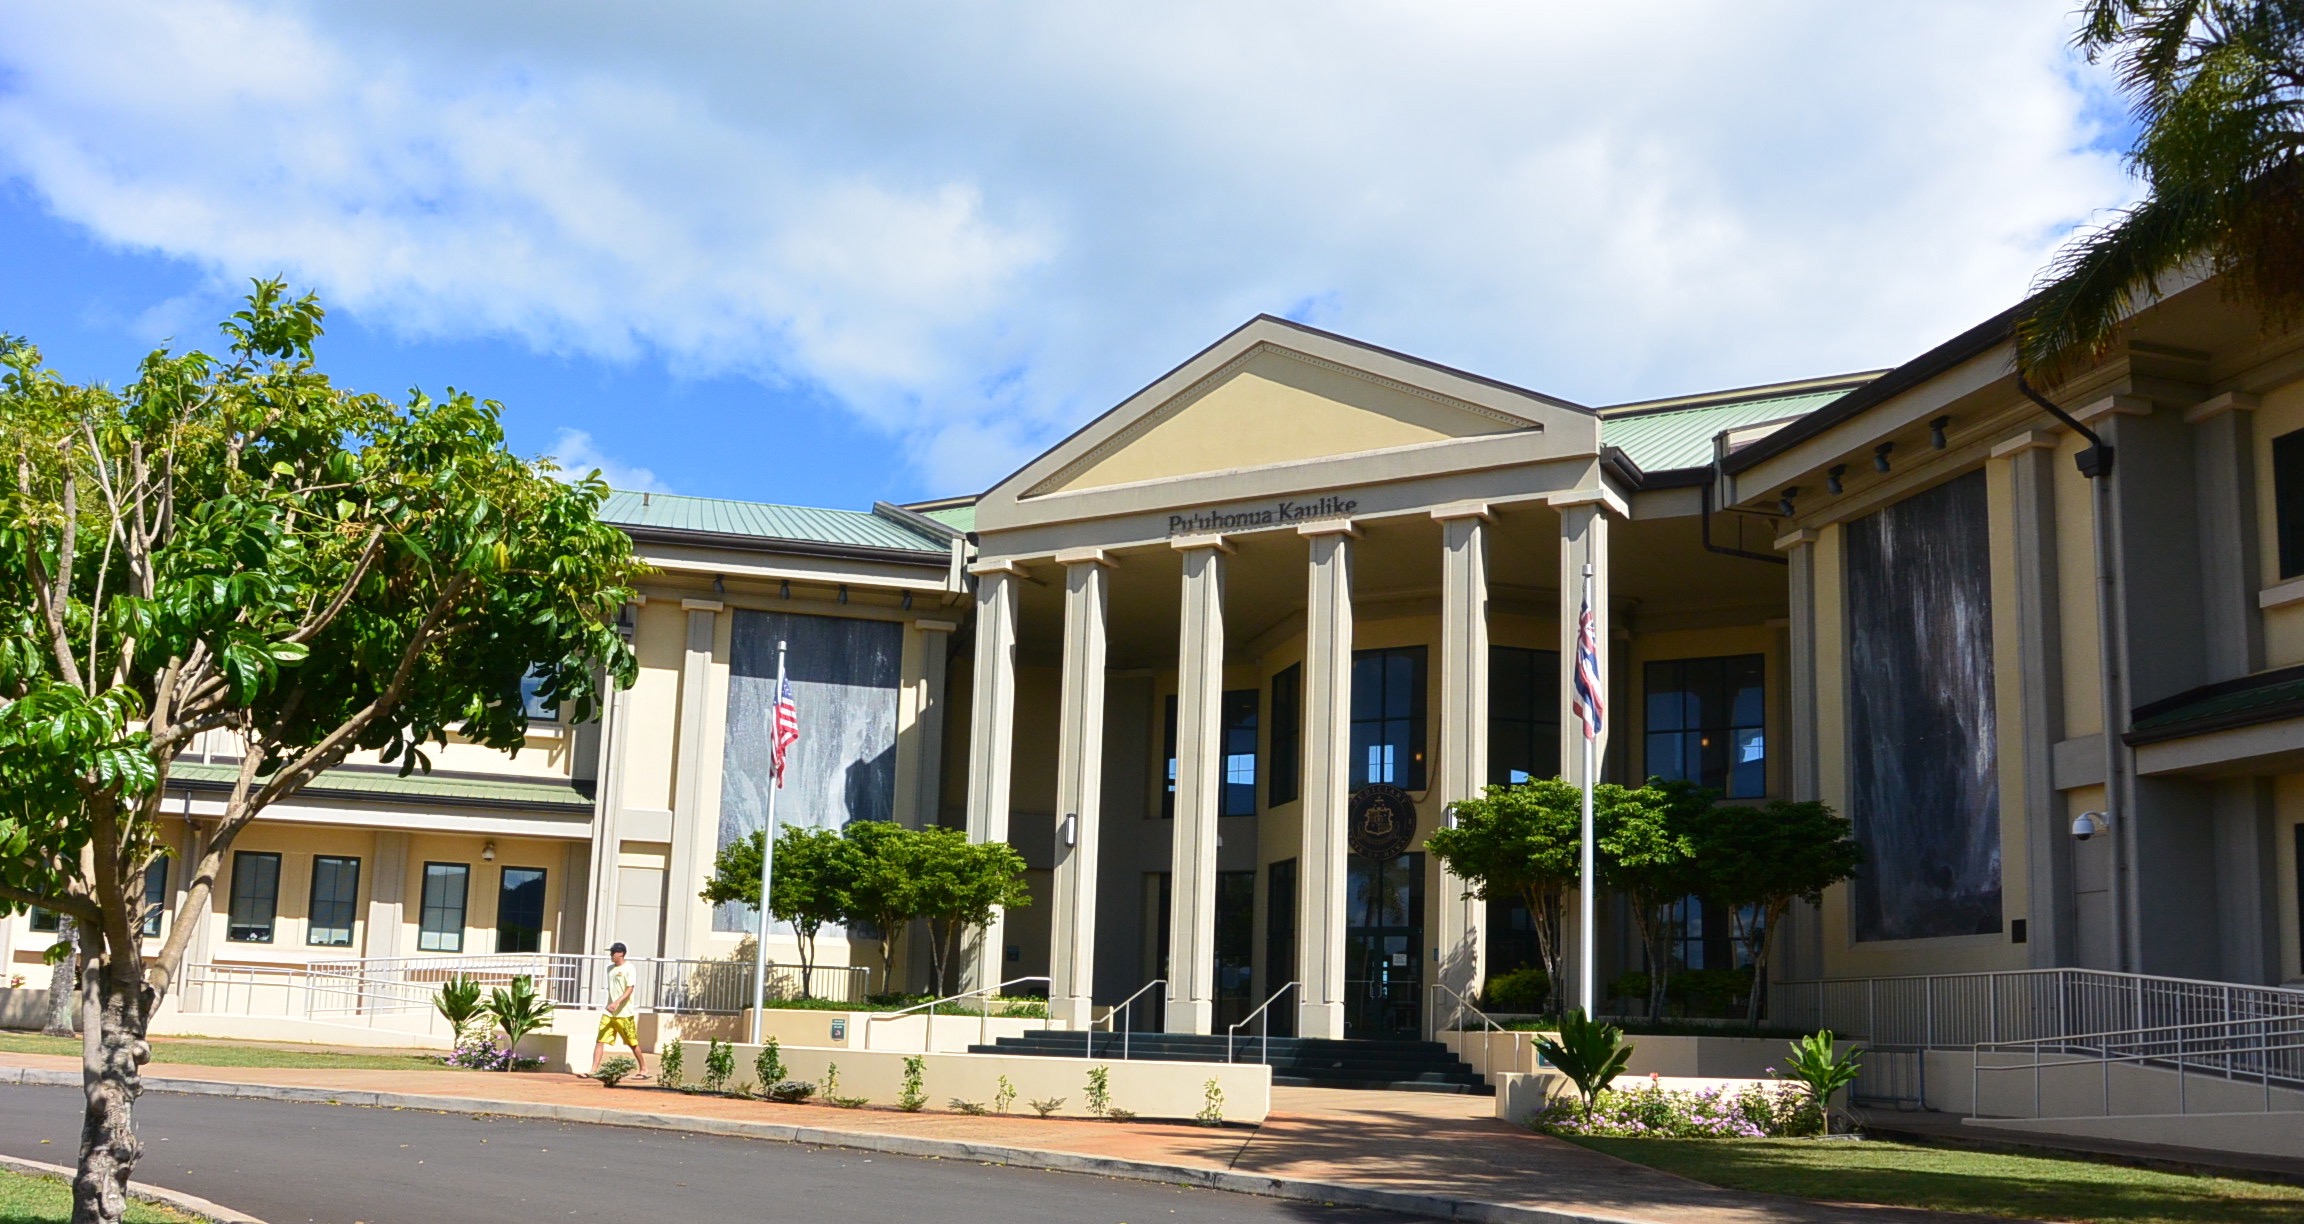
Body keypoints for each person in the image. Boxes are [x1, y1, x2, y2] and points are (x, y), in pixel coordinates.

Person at [589, 942, 646, 1079]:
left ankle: (643, 1068)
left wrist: (617, 1003)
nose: (611, 955)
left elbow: (630, 989)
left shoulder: (629, 968)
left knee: (632, 1042)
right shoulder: (609, 969)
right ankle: (593, 1069)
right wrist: (611, 1004)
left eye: (613, 952)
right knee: (600, 1040)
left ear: (621, 953)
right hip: (609, 1013)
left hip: (624, 1013)